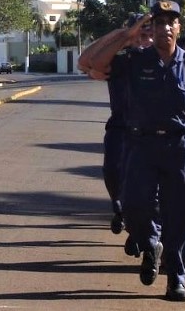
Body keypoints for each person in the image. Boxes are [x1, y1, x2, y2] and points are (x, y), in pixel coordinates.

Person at [81, 0, 185, 302]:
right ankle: (150, 242)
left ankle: (177, 278)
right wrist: (126, 34)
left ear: (179, 28)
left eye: (170, 22)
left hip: (181, 147)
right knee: (134, 204)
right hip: (142, 146)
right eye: (158, 22)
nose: (164, 28)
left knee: (180, 216)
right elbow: (94, 64)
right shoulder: (134, 60)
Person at [78, 13, 153, 236]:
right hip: (121, 127)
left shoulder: (162, 59)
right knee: (112, 173)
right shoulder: (119, 60)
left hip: (152, 132)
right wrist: (120, 35)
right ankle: (120, 209)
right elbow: (85, 61)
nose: (144, 40)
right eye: (140, 35)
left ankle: (145, 234)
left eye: (149, 35)